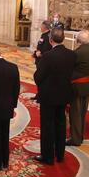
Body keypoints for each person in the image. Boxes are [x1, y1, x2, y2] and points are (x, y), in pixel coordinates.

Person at [33, 28, 76, 165]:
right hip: (64, 95)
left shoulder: (47, 56)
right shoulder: (72, 55)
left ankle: (48, 156)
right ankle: (60, 154)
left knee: (47, 126)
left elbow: (38, 77)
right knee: (61, 124)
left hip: (48, 96)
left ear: (51, 40)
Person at [66, 31, 89, 146]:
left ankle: (75, 139)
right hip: (86, 85)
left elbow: (70, 68)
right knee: (83, 113)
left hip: (77, 86)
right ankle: (80, 135)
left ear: (78, 40)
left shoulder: (77, 53)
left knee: (75, 113)